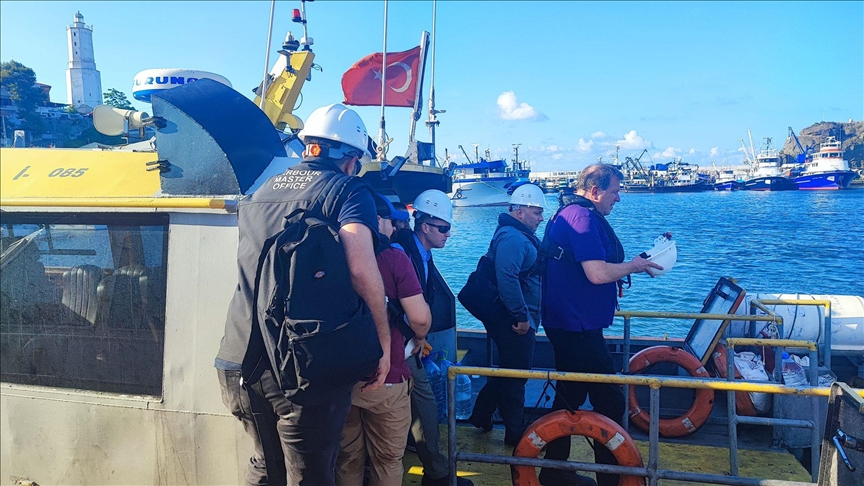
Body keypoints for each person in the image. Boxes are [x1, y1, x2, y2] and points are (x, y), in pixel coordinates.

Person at [215, 103, 390, 486]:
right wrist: (383, 341)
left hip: (236, 360)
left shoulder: (260, 192)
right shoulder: (347, 191)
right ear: (351, 160)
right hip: (301, 369)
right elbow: (361, 270)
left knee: (266, 467)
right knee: (309, 476)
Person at [538, 164, 662, 486]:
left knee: (570, 395)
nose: (618, 198)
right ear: (595, 191)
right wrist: (633, 266)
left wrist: (633, 265)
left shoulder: (569, 213)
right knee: (610, 401)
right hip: (576, 328)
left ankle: (553, 471)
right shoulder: (582, 218)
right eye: (615, 192)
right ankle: (609, 480)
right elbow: (596, 273)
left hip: (568, 324)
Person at [335, 194, 431, 486]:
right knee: (387, 461)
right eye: (392, 221)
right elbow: (420, 318)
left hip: (340, 378)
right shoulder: (394, 259)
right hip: (387, 377)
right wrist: (420, 337)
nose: (395, 227)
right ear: (377, 221)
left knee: (347, 459)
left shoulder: (332, 254)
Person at [393, 189, 473, 486]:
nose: (448, 234)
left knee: (419, 404)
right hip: (401, 343)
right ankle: (437, 475)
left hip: (407, 341)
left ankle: (435, 470)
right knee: (424, 403)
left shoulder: (419, 254)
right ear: (424, 226)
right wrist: (417, 336)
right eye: (443, 228)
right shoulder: (403, 254)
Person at [468, 184, 544, 446]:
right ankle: (515, 434)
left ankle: (481, 414)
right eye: (537, 212)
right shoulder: (514, 238)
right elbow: (507, 279)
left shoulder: (517, 234)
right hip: (515, 318)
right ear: (520, 212)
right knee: (517, 375)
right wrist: (522, 317)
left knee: (511, 370)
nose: (541, 218)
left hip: (511, 314)